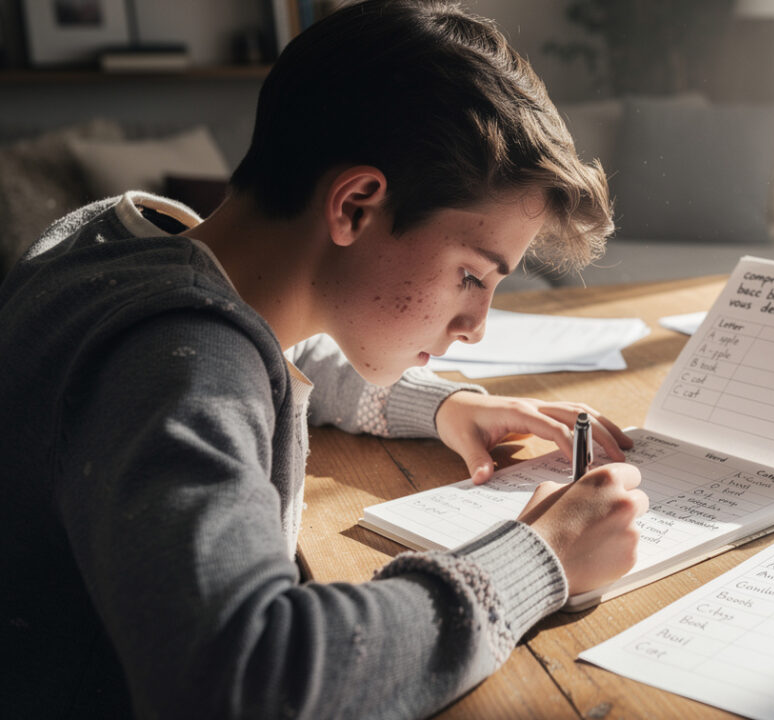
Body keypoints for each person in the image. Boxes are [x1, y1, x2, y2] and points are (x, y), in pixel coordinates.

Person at [0, 1, 648, 718]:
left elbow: (289, 341)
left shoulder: (109, 244)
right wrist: (541, 558)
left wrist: (445, 405)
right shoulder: (179, 364)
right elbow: (249, 679)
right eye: (471, 275)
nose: (476, 327)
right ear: (356, 206)